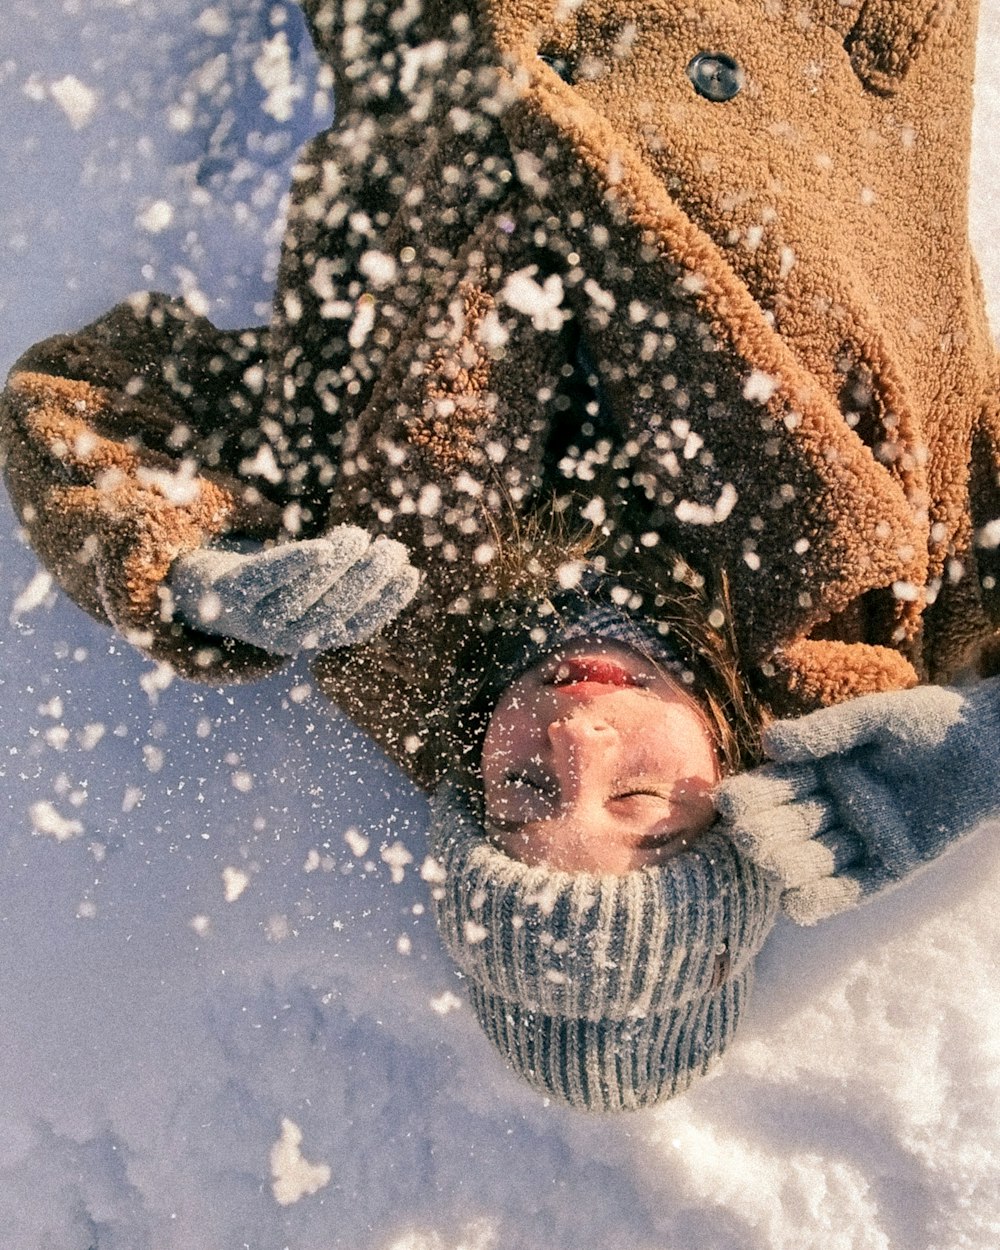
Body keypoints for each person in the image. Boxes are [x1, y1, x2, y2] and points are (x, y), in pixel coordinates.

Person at [3, 0, 999, 1109]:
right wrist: (983, 744)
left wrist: (193, 570)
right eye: (637, 803)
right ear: (739, 801)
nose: (575, 735)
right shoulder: (892, 602)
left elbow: (76, 399)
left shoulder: (364, 586)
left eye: (526, 788)